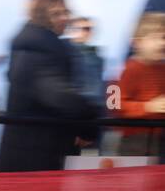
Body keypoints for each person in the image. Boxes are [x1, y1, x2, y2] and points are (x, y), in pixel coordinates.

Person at [0, 0, 97, 172]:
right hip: (35, 155)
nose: (65, 18)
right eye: (57, 13)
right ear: (42, 15)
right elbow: (59, 96)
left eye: (66, 12)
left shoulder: (33, 45)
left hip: (31, 150)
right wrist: (91, 121)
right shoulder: (39, 49)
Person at [116, 12, 165, 158]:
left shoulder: (162, 69)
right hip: (135, 140)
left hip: (159, 137)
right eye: (155, 38)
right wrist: (147, 107)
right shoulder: (128, 70)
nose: (162, 43)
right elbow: (114, 105)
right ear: (137, 43)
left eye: (164, 38)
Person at [66, 16, 104, 107]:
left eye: (91, 29)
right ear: (72, 30)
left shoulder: (96, 57)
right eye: (86, 29)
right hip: (76, 107)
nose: (89, 32)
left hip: (94, 107)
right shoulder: (64, 53)